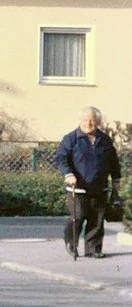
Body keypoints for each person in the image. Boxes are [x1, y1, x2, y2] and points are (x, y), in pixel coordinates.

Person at [55, 106, 122, 258]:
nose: (88, 123)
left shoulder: (105, 140)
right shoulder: (71, 139)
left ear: (97, 121)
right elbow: (61, 158)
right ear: (80, 121)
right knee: (78, 216)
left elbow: (113, 161)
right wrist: (68, 174)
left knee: (97, 220)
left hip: (100, 187)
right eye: (85, 120)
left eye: (92, 120)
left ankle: (93, 249)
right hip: (78, 188)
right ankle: (71, 243)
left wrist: (116, 179)